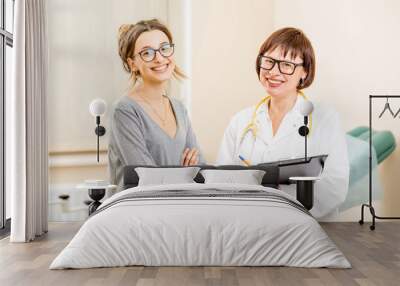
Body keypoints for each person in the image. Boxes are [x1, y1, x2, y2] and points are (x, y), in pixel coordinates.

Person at [216, 27, 349, 219]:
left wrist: (276, 209)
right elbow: (222, 180)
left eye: (286, 65)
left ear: (304, 71)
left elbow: (334, 186)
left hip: (308, 229)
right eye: (269, 61)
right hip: (249, 225)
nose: (273, 72)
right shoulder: (240, 121)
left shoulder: (325, 119)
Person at [109, 19, 204, 188]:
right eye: (147, 53)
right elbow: (148, 179)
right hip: (136, 210)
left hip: (174, 206)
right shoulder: (125, 111)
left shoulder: (179, 109)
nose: (159, 58)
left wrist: (189, 173)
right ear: (133, 64)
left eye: (164, 48)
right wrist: (185, 173)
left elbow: (201, 170)